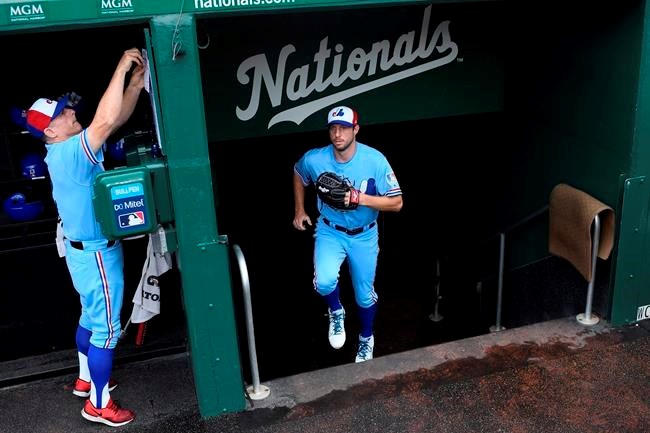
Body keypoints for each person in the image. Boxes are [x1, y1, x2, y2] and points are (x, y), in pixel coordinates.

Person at [24, 48, 145, 427]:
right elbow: (106, 120)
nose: (70, 111)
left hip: (83, 253)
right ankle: (98, 403)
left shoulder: (63, 151)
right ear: (50, 131)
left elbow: (113, 119)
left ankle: (84, 378)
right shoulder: (69, 152)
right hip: (96, 255)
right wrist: (122, 66)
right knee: (107, 330)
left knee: (91, 318)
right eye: (62, 113)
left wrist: (135, 86)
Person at [292, 105, 403, 363]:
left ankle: (366, 339)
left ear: (356, 129)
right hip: (330, 231)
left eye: (343, 128)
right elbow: (298, 173)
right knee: (324, 283)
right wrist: (299, 209)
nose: (337, 134)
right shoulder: (315, 159)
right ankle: (336, 311)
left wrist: (360, 198)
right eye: (333, 128)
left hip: (364, 235)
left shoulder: (375, 160)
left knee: (364, 295)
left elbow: (397, 203)